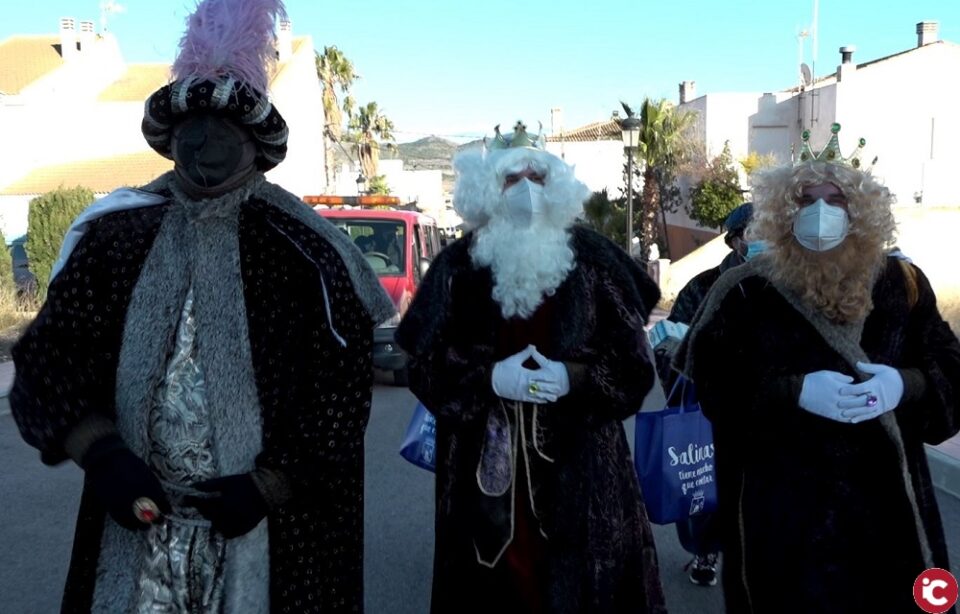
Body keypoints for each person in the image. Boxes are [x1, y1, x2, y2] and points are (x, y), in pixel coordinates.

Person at [9, 1, 394, 612]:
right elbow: (48, 359)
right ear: (171, 137)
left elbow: (340, 393)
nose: (205, 142)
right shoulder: (116, 238)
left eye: (224, 129)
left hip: (264, 531)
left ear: (254, 141)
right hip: (135, 524)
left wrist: (271, 484)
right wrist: (99, 450)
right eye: (193, 127)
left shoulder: (305, 252)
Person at [674, 124, 960, 613]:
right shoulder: (743, 291)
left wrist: (906, 386)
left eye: (836, 199)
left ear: (861, 210)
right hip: (783, 515)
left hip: (888, 516)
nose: (821, 211)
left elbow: (950, 374)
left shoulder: (904, 285)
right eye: (807, 199)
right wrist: (790, 393)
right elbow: (713, 387)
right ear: (785, 211)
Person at [396, 121, 667, 614]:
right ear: (489, 191)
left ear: (555, 185)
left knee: (588, 590)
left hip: (584, 472)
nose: (526, 190)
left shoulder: (596, 262)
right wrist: (488, 377)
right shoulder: (457, 267)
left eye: (537, 178)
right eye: (510, 179)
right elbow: (423, 364)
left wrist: (575, 378)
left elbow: (633, 365)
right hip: (481, 471)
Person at [653, 201, 754, 587]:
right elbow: (668, 346)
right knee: (706, 490)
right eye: (753, 231)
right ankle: (706, 551)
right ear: (736, 240)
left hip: (765, 412)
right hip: (711, 411)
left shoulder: (788, 285)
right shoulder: (703, 286)